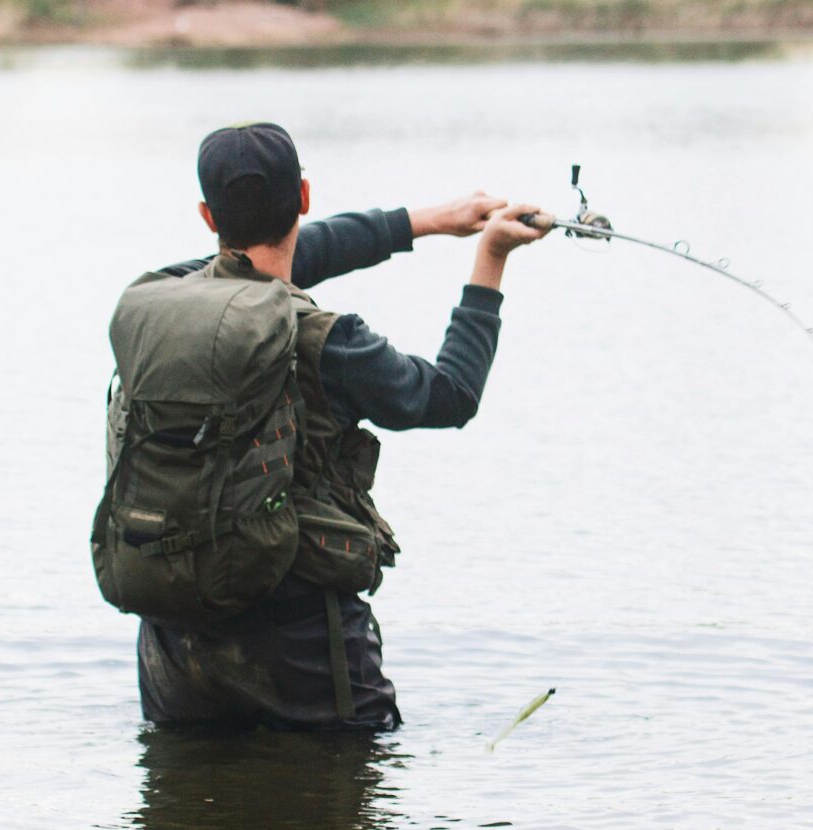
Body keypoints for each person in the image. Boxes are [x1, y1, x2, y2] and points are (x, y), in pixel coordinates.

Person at [130, 122, 548, 730]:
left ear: (206, 215)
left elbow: (262, 264)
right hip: (303, 643)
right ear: (303, 197)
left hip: (174, 641)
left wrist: (425, 220)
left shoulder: (155, 302)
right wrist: (490, 258)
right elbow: (451, 395)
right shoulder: (329, 340)